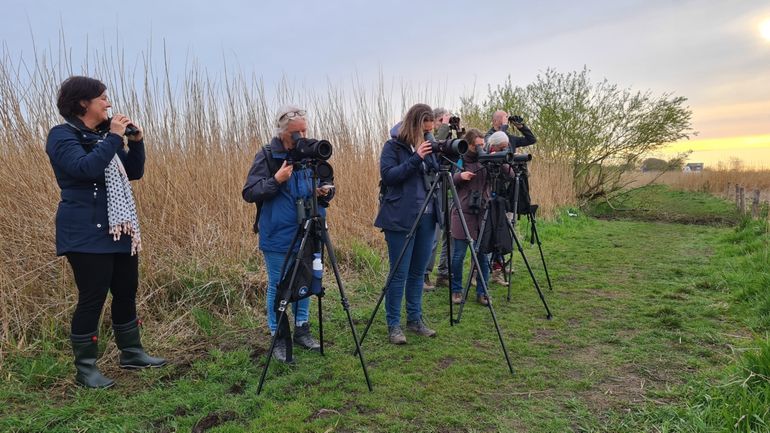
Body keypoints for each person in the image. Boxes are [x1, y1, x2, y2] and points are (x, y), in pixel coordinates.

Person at [46, 76, 166, 389]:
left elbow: (134, 172)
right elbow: (85, 168)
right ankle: (86, 369)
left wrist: (135, 142)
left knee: (126, 290)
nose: (108, 104)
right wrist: (113, 138)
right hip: (84, 232)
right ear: (83, 102)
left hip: (119, 229)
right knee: (93, 296)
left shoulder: (102, 138)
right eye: (102, 98)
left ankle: (132, 353)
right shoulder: (62, 136)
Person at [242, 104, 332, 363]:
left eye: (304, 130)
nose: (301, 137)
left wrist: (323, 192)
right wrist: (277, 179)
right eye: (295, 132)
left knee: (305, 280)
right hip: (278, 234)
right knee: (279, 284)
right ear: (282, 132)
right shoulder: (268, 155)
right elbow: (249, 193)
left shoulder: (309, 154)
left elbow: (315, 187)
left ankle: (302, 329)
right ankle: (278, 335)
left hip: (308, 231)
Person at [375, 103, 439, 344]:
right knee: (399, 272)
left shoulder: (429, 148)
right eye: (425, 130)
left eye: (431, 130)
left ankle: (415, 320)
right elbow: (389, 176)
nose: (428, 134)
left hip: (427, 216)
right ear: (415, 125)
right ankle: (394, 325)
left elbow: (436, 173)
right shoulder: (392, 147)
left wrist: (436, 153)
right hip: (400, 218)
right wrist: (416, 158)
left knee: (417, 272)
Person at [449, 129, 504, 305]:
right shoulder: (460, 157)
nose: (480, 148)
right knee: (458, 255)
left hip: (483, 212)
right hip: (462, 211)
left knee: (483, 255)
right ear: (469, 144)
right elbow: (447, 180)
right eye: (476, 145)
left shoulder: (486, 159)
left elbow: (508, 175)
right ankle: (456, 290)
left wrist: (498, 159)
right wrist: (460, 176)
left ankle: (482, 291)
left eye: (482, 145)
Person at [422, 107, 452, 291]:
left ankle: (442, 273)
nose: (443, 124)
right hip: (430, 190)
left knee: (444, 235)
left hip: (445, 189)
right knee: (432, 237)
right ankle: (423, 275)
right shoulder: (425, 137)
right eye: (441, 120)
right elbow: (434, 152)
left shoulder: (445, 136)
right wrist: (444, 128)